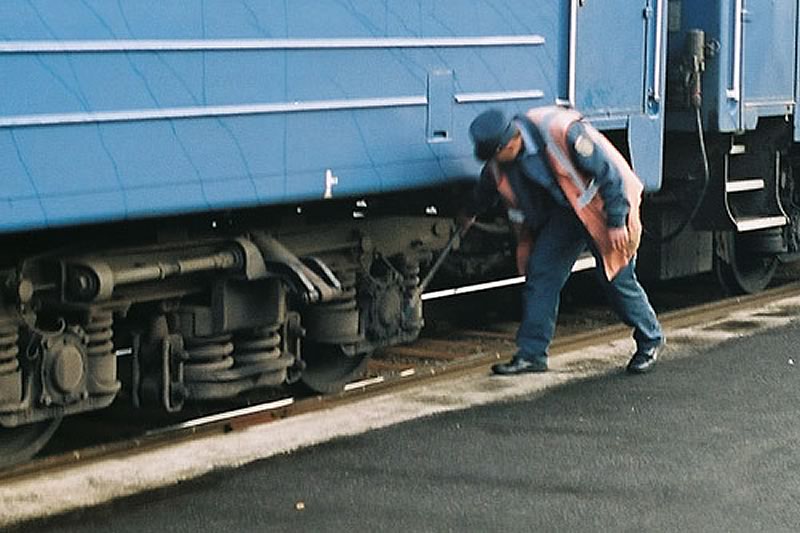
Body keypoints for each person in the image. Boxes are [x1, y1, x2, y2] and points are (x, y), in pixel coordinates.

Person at [463, 106, 663, 375]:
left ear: (512, 142)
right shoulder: (501, 162)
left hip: (603, 207)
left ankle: (650, 339)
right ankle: (532, 354)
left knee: (617, 278)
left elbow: (610, 174)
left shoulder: (562, 131)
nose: (495, 163)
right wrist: (468, 213)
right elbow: (486, 189)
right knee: (541, 273)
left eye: (497, 155)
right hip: (567, 213)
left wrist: (617, 221)